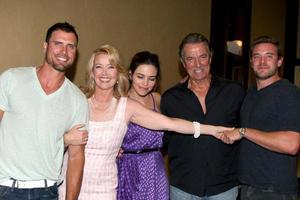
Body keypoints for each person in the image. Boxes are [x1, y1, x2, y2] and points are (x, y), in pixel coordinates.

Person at [59, 44, 232, 200]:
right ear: (92, 72)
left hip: (107, 187)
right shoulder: (77, 101)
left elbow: (170, 123)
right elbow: (47, 140)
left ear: (117, 72)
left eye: (110, 67)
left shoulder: (127, 106)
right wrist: (66, 139)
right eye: (99, 67)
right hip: (75, 183)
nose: (104, 73)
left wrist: (214, 130)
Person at [0, 22, 89, 200]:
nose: (64, 52)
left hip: (47, 192)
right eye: (58, 44)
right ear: (45, 46)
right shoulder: (12, 78)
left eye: (70, 46)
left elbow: (76, 157)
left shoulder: (78, 100)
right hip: (6, 188)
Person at [160, 33, 245, 200]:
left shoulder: (235, 91)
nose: (197, 64)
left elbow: (248, 130)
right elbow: (161, 140)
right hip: (183, 188)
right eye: (190, 59)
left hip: (224, 188)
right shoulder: (170, 98)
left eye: (202, 57)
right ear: (183, 63)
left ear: (210, 58)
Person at [222, 36, 300, 200]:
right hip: (247, 186)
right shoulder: (250, 93)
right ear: (251, 61)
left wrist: (243, 131)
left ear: (279, 61)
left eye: (269, 56)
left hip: (274, 191)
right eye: (257, 56)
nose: (262, 62)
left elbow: (291, 144)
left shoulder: (288, 93)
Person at [117, 51, 169, 200]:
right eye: (140, 77)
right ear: (130, 74)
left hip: (155, 168)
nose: (145, 84)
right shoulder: (121, 101)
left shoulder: (157, 99)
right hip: (129, 169)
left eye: (151, 79)